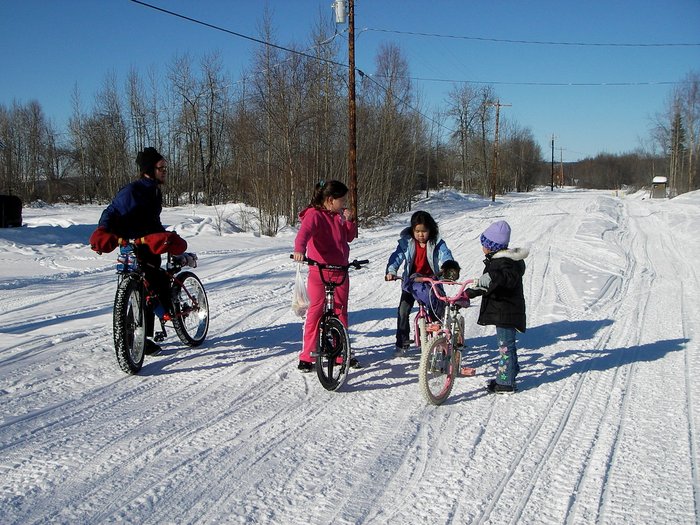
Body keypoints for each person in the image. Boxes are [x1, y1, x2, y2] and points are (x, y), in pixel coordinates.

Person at [89, 147, 188, 354]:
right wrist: (103, 231)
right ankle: (137, 337)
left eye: (165, 167)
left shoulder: (153, 190)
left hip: (150, 243)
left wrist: (163, 235)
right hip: (133, 245)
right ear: (149, 170)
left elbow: (153, 221)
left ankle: (146, 335)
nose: (165, 171)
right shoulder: (132, 191)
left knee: (153, 286)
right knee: (142, 287)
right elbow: (111, 211)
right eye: (161, 167)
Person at [292, 180, 359, 372]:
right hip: (319, 271)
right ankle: (307, 355)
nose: (344, 203)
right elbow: (303, 234)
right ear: (330, 200)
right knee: (315, 310)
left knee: (340, 311)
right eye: (342, 200)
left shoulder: (338, 216)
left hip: (340, 271)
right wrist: (299, 250)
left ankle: (341, 353)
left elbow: (349, 237)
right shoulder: (314, 215)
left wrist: (349, 220)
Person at [468, 220, 528, 394]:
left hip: (506, 311)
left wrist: (471, 292)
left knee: (505, 347)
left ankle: (505, 383)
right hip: (508, 310)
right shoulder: (506, 261)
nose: (482, 248)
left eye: (484, 244)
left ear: (491, 246)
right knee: (508, 344)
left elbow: (491, 281)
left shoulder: (501, 265)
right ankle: (511, 371)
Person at [385, 210, 456, 352]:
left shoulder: (437, 243)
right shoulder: (407, 242)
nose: (420, 235)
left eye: (424, 231)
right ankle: (402, 342)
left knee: (434, 309)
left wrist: (449, 269)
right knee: (403, 311)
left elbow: (446, 255)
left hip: (431, 281)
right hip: (411, 282)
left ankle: (439, 339)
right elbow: (397, 257)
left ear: (430, 230)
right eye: (417, 231)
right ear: (412, 230)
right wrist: (391, 271)